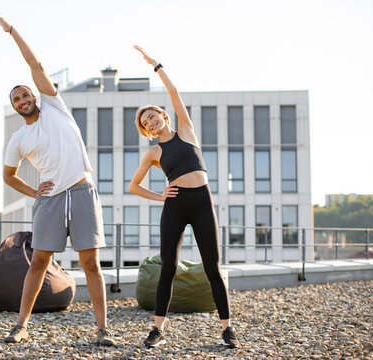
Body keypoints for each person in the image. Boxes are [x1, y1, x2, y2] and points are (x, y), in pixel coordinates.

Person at [0, 12, 116, 346]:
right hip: (50, 200)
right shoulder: (18, 140)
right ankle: (21, 325)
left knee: (91, 263)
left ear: (35, 95)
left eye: (25, 94)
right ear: (14, 107)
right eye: (16, 99)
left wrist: (12, 31)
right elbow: (8, 176)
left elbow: (35, 63)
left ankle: (103, 330)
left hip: (82, 192)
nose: (23, 100)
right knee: (40, 262)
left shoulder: (55, 107)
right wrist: (34, 192)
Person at [128, 45, 238, 349]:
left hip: (202, 203)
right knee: (168, 268)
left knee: (213, 266)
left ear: (163, 115)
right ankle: (157, 330)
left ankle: (227, 329)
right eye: (146, 123)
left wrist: (155, 64)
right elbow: (133, 186)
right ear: (147, 130)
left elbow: (174, 90)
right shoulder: (153, 152)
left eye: (152, 116)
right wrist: (160, 195)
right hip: (175, 207)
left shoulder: (187, 131)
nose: (151, 122)